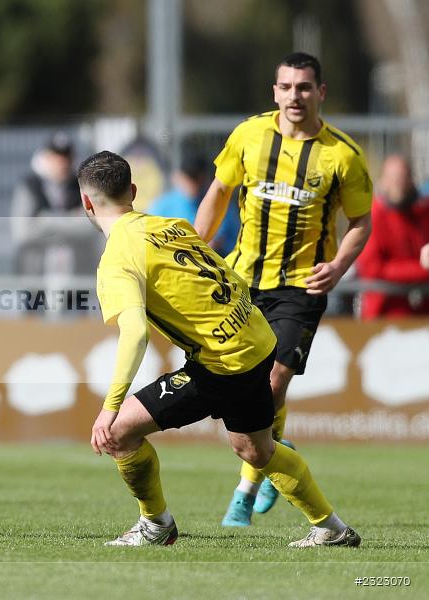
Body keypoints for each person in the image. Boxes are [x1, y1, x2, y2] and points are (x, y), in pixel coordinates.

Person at [80, 150, 360, 548]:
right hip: (258, 340)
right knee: (255, 448)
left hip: (224, 362)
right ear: (134, 191)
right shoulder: (171, 225)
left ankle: (156, 525)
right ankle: (331, 528)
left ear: (86, 202)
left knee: (120, 433)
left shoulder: (117, 257)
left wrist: (109, 408)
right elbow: (224, 273)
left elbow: (135, 333)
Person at [193, 53, 373, 527]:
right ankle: (274, 454)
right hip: (242, 279)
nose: (296, 96)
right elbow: (219, 191)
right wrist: (198, 251)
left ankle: (246, 488)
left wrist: (337, 266)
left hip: (301, 286)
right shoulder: (249, 136)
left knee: (272, 383)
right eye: (287, 87)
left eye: (305, 87)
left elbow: (361, 221)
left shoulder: (342, 155)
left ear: (321, 93)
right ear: (274, 91)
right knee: (238, 387)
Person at [11, 131, 102, 275]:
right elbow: (22, 232)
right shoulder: (29, 186)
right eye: (56, 158)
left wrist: (46, 221)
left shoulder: (82, 186)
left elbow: (92, 226)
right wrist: (71, 220)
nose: (62, 163)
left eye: (66, 158)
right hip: (35, 274)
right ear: (46, 157)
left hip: (77, 275)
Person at [356, 155, 429, 318]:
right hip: (384, 316)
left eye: (403, 177)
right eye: (393, 178)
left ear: (411, 180)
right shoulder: (372, 216)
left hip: (421, 314)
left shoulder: (421, 214)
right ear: (382, 181)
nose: (398, 184)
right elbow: (373, 269)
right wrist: (422, 269)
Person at [147, 151, 240, 256]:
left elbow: (236, 244)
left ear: (204, 178)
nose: (192, 183)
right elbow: (150, 245)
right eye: (189, 177)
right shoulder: (161, 207)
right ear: (177, 177)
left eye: (196, 178)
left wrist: (219, 245)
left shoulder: (221, 203)